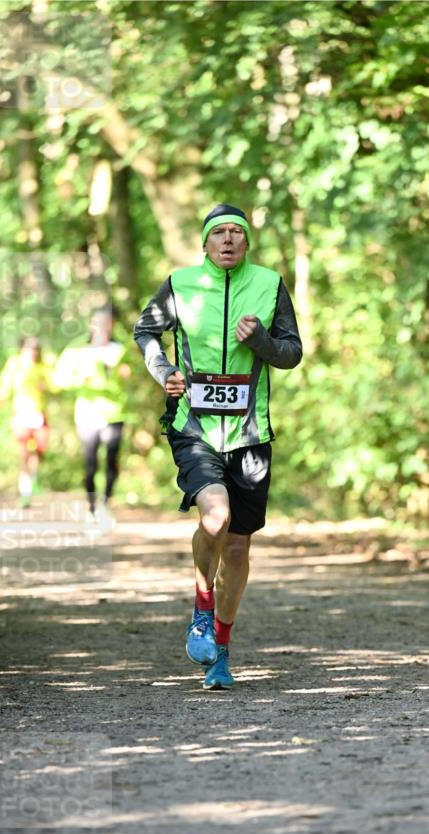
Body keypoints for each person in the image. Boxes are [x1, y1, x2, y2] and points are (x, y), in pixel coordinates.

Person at [134, 203, 302, 690]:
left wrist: (263, 342)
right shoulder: (179, 283)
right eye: (219, 233)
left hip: (251, 435)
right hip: (195, 427)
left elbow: (292, 352)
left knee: (238, 548)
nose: (228, 240)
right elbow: (146, 330)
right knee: (215, 517)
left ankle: (221, 651)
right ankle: (202, 609)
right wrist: (165, 373)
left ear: (247, 243)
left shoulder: (269, 285)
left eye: (236, 233)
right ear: (205, 243)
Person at [55, 307, 130, 520]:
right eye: (99, 322)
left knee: (111, 461)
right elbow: (60, 379)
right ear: (91, 324)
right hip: (87, 416)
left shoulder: (120, 349)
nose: (103, 327)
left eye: (108, 323)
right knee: (90, 464)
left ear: (113, 324)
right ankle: (91, 506)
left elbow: (132, 375)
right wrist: (82, 379)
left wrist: (127, 374)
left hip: (115, 414)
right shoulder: (78, 348)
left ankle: (105, 502)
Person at [0, 336, 53, 506]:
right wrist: (2, 397)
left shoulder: (43, 367)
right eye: (30, 349)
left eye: (36, 350)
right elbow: (5, 384)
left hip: (39, 415)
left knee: (38, 452)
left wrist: (47, 387)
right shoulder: (14, 364)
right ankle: (25, 490)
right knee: (23, 452)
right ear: (22, 349)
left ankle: (33, 479)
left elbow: (55, 384)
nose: (33, 353)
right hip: (21, 414)